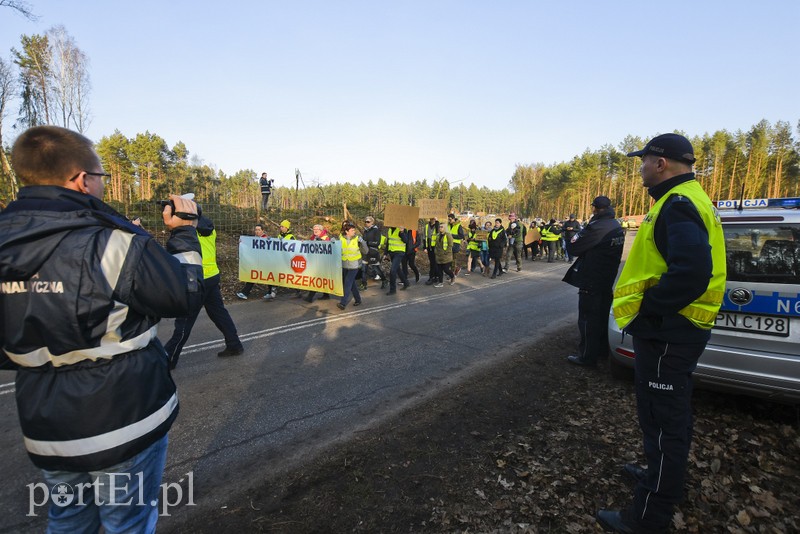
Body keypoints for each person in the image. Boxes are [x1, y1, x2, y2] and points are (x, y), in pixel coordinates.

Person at [0, 125, 204, 532]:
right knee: (127, 523)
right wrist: (183, 232)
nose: (102, 185)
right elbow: (181, 295)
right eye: (101, 176)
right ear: (81, 179)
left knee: (68, 521)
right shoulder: (112, 242)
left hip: (44, 420)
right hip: (121, 418)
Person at [596, 133, 726, 534]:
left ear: (661, 163)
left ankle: (648, 516)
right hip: (677, 331)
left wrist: (650, 312)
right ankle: (661, 475)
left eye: (643, 161)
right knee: (670, 416)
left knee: (663, 422)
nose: (640, 168)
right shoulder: (687, 199)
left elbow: (692, 271)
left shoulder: (678, 203)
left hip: (669, 332)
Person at [164, 213, 244, 368]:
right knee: (218, 313)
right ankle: (234, 344)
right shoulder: (210, 228)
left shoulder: (189, 232)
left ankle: (169, 359)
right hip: (212, 275)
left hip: (196, 278)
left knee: (185, 320)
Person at [562, 196, 625, 367]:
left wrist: (577, 235)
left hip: (592, 279)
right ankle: (602, 351)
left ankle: (587, 357)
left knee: (588, 319)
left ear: (596, 208)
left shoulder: (598, 227)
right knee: (603, 317)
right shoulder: (615, 225)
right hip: (607, 279)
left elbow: (574, 247)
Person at [236, 224, 273, 300]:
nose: (257, 231)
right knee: (252, 276)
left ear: (262, 231)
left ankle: (271, 292)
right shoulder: (252, 239)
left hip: (264, 262)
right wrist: (242, 242)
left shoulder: (266, 239)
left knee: (268, 276)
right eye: (256, 230)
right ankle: (245, 293)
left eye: (259, 230)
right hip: (256, 262)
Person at [338, 221, 369, 309]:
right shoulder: (341, 238)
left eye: (354, 230)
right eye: (352, 230)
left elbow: (366, 251)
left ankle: (343, 303)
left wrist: (363, 242)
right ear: (346, 231)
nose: (354, 232)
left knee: (347, 283)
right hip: (344, 264)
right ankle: (358, 299)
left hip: (354, 265)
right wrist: (333, 242)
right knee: (352, 284)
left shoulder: (357, 239)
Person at [304, 224, 332, 303]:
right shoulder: (313, 238)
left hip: (322, 262)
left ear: (321, 230)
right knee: (321, 278)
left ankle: (310, 297)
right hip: (315, 261)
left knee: (315, 279)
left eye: (317, 229)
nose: (315, 231)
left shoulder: (325, 238)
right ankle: (326, 295)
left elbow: (328, 248)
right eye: (314, 229)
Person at [361, 216, 387, 290]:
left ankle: (384, 280)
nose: (366, 223)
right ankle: (364, 284)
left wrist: (368, 243)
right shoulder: (365, 231)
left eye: (368, 221)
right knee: (364, 269)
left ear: (372, 222)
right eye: (365, 221)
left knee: (375, 268)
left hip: (373, 252)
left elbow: (377, 242)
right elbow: (364, 240)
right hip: (365, 252)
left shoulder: (376, 231)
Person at [385, 226, 410, 295]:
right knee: (397, 269)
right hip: (392, 252)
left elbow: (406, 240)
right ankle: (406, 283)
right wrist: (385, 253)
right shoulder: (390, 229)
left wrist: (401, 232)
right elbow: (388, 242)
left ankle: (392, 290)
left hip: (399, 252)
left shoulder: (402, 228)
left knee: (393, 270)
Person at [433, 222, 455, 287]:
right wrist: (435, 251)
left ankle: (452, 277)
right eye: (439, 227)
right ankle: (440, 282)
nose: (440, 228)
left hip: (446, 256)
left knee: (446, 270)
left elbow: (450, 245)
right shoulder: (438, 235)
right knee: (439, 270)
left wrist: (445, 252)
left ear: (445, 228)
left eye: (441, 227)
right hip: (438, 255)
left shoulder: (448, 235)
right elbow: (436, 245)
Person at [422, 217, 440, 285]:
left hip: (436, 247)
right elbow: (424, 237)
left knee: (434, 263)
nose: (432, 220)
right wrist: (424, 247)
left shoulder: (438, 225)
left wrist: (437, 223)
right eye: (431, 219)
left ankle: (432, 277)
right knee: (433, 263)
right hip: (429, 248)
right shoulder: (426, 226)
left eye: (434, 219)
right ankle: (436, 276)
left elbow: (439, 233)